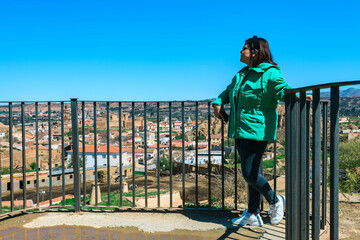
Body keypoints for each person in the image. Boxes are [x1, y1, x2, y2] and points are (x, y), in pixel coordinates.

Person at [212, 36, 307, 227]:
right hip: (239, 130)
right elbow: (228, 92)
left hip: (257, 131)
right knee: (253, 172)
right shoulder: (241, 74)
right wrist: (217, 102)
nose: (240, 51)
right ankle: (253, 213)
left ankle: (274, 200)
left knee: (249, 174)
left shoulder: (270, 74)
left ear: (255, 52)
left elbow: (283, 89)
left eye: (244, 48)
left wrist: (299, 95)